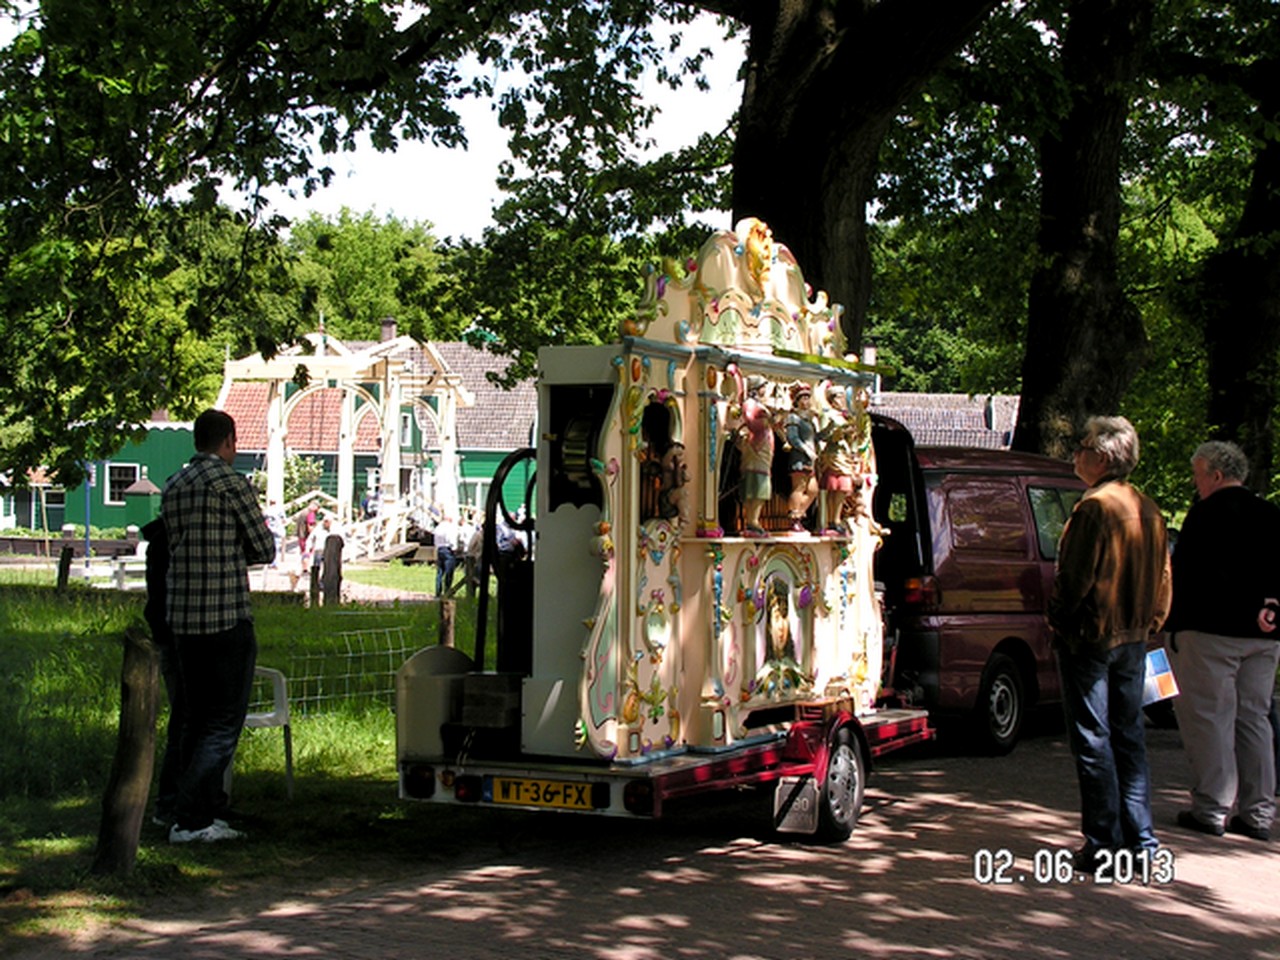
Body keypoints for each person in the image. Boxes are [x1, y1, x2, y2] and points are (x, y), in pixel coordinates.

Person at [1047, 415, 1171, 871]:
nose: (1075, 454)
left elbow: (1074, 579)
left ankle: (1102, 842)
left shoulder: (1094, 509)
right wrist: (1149, 622)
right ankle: (1142, 841)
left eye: (1082, 446)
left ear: (1101, 456)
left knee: (1093, 738)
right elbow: (1163, 582)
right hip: (1133, 636)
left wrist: (1057, 621)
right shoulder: (1149, 508)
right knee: (1129, 736)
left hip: (1092, 637)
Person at [161, 409, 275, 843]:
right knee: (223, 722)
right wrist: (235, 553)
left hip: (183, 617)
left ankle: (183, 808)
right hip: (225, 615)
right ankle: (193, 819)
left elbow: (176, 545)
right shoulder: (231, 484)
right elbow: (263, 547)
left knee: (192, 717)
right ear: (229, 440)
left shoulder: (175, 484)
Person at [1165, 440, 1280, 841]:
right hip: (1264, 636)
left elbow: (1183, 573)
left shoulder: (1205, 515)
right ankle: (1258, 813)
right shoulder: (1270, 514)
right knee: (1255, 718)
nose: (1196, 484)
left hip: (1209, 632)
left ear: (1215, 474)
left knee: (1209, 718)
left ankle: (1212, 807)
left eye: (1198, 475)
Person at [784, 382, 818, 533]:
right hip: (799, 458)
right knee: (799, 487)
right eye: (802, 398)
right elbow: (793, 438)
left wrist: (830, 430)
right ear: (796, 401)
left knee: (813, 489)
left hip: (810, 459)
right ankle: (794, 518)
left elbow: (816, 438)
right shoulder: (793, 417)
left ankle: (799, 512)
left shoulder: (809, 420)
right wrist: (806, 450)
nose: (806, 402)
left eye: (807, 398)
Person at [433, 511, 460, 597]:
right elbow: (451, 539)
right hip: (448, 550)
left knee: (440, 572)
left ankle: (438, 591)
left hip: (440, 549)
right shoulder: (449, 528)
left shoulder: (438, 528)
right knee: (449, 571)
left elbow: (435, 540)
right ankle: (447, 591)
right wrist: (454, 548)